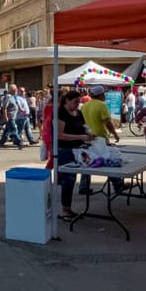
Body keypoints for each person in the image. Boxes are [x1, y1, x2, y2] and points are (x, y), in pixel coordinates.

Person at [54, 90, 93, 221]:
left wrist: (89, 132)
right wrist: (80, 136)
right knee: (68, 180)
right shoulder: (61, 113)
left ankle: (68, 209)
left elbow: (83, 126)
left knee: (72, 179)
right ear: (67, 101)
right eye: (75, 102)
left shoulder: (79, 113)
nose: (78, 104)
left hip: (78, 149)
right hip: (65, 150)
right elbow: (60, 135)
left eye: (79, 101)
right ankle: (65, 210)